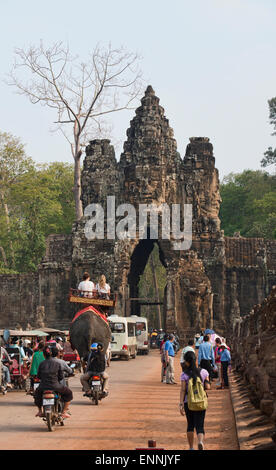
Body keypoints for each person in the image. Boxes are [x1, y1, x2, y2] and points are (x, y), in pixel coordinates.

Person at [179, 351, 210, 451]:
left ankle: (191, 447)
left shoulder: (184, 374)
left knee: (190, 425)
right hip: (201, 401)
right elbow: (208, 386)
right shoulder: (204, 372)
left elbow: (183, 390)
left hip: (189, 402)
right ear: (195, 360)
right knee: (200, 425)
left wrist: (181, 403)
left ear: (187, 362)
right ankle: (200, 441)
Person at [34, 346, 73, 419]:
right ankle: (64, 412)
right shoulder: (57, 363)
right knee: (69, 393)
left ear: (44, 355)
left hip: (43, 386)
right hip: (56, 386)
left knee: (37, 395)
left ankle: (40, 411)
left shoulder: (41, 364)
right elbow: (61, 377)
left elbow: (38, 376)